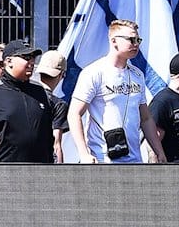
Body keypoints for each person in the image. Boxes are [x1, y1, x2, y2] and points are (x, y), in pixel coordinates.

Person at [68, 19, 167, 164]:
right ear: (114, 41)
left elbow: (145, 118)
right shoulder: (94, 72)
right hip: (103, 158)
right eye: (131, 40)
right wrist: (84, 154)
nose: (136, 44)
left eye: (138, 40)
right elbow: (74, 114)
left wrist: (159, 151)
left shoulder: (137, 74)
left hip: (134, 158)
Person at [0, 39, 56, 163]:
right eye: (26, 57)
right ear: (9, 61)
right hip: (3, 171)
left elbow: (48, 134)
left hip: (40, 171)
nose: (31, 62)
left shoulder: (40, 91)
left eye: (33, 58)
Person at [36, 49, 69, 163]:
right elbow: (56, 143)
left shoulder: (25, 95)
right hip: (43, 160)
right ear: (62, 75)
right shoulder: (58, 105)